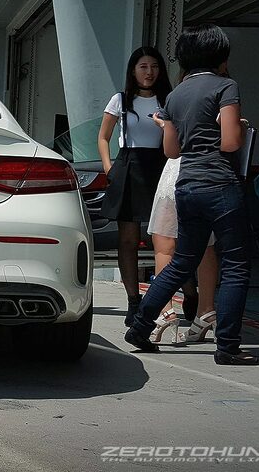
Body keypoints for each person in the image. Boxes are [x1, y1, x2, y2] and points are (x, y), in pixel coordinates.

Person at [124, 24, 259, 365]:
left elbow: (171, 150)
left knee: (181, 260)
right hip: (220, 183)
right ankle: (228, 347)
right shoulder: (225, 86)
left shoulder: (176, 94)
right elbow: (231, 142)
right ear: (220, 55)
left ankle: (141, 325)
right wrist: (238, 128)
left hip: (186, 186)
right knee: (235, 265)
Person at [97, 47, 173, 326]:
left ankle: (175, 295)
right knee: (127, 240)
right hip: (129, 166)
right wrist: (109, 168)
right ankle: (133, 301)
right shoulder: (120, 99)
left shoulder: (168, 99)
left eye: (154, 66)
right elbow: (103, 137)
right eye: (143, 66)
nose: (149, 72)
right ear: (133, 70)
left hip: (161, 166)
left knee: (164, 238)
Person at [145, 155, 220, 344]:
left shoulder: (181, 123)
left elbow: (171, 149)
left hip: (180, 169)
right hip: (211, 171)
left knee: (164, 243)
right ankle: (206, 310)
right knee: (206, 243)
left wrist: (163, 124)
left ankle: (166, 311)